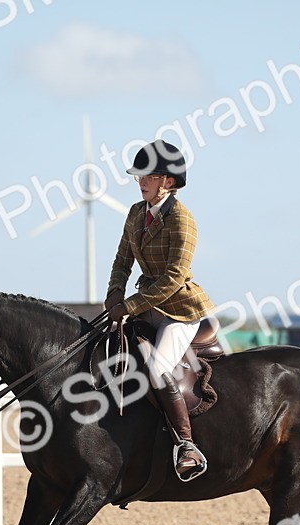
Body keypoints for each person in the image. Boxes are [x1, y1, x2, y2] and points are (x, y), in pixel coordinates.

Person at [105, 139, 216, 481]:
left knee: (156, 368)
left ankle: (186, 446)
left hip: (179, 311)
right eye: (139, 176)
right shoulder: (136, 213)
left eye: (148, 176)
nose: (141, 181)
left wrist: (130, 305)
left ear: (168, 181)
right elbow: (122, 260)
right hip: (144, 303)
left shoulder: (183, 219)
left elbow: (172, 277)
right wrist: (113, 294)